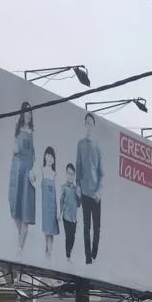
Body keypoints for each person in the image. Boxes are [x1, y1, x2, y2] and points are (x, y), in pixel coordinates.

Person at [7, 102, 35, 252]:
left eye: (30, 112)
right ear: (22, 113)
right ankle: (20, 235)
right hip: (17, 169)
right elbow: (14, 149)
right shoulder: (17, 130)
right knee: (13, 205)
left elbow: (34, 154)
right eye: (26, 112)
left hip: (28, 172)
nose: (29, 115)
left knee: (26, 210)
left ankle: (20, 249)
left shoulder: (32, 132)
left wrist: (33, 170)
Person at [76, 112, 103, 264]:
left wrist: (99, 191)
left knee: (96, 227)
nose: (88, 125)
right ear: (85, 124)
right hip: (85, 191)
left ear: (93, 126)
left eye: (90, 123)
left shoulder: (97, 146)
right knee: (86, 226)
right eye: (86, 122)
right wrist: (78, 185)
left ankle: (94, 253)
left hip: (96, 194)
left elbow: (102, 173)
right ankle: (88, 258)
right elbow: (78, 166)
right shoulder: (80, 144)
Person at [39, 146, 59, 259]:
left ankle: (49, 254)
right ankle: (46, 252)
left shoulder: (55, 174)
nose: (50, 158)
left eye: (52, 156)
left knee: (51, 233)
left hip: (53, 208)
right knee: (46, 232)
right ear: (45, 156)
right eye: (48, 155)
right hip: (44, 207)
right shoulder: (41, 170)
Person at [60, 163, 80, 262]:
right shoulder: (63, 187)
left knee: (72, 237)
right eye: (68, 173)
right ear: (66, 174)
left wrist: (79, 195)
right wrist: (59, 214)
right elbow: (61, 201)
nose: (70, 175)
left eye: (72, 174)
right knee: (68, 236)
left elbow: (79, 204)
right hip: (66, 216)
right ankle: (67, 256)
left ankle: (69, 253)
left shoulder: (76, 189)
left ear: (74, 175)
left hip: (74, 218)